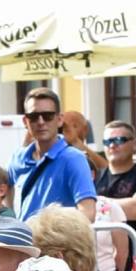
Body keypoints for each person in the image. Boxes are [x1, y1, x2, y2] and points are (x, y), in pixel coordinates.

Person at [10, 88, 98, 222]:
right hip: (23, 241)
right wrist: (12, 219)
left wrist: (55, 232)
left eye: (48, 116)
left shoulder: (74, 159)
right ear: (25, 121)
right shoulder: (18, 157)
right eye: (34, 116)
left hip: (56, 241)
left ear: (59, 120)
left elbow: (88, 212)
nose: (41, 122)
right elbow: (3, 188)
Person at [96, 120, 136, 256]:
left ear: (134, 144)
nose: (112, 145)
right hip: (101, 267)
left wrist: (97, 203)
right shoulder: (95, 177)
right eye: (107, 142)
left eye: (119, 140)